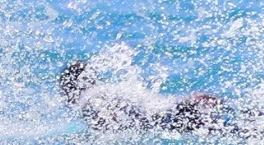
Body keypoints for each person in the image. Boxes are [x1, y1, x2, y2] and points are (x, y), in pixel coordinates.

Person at [58, 58, 239, 133]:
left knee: (229, 131)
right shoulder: (108, 89)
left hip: (168, 119)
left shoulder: (87, 100)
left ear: (69, 88)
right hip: (177, 107)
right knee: (234, 127)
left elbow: (105, 120)